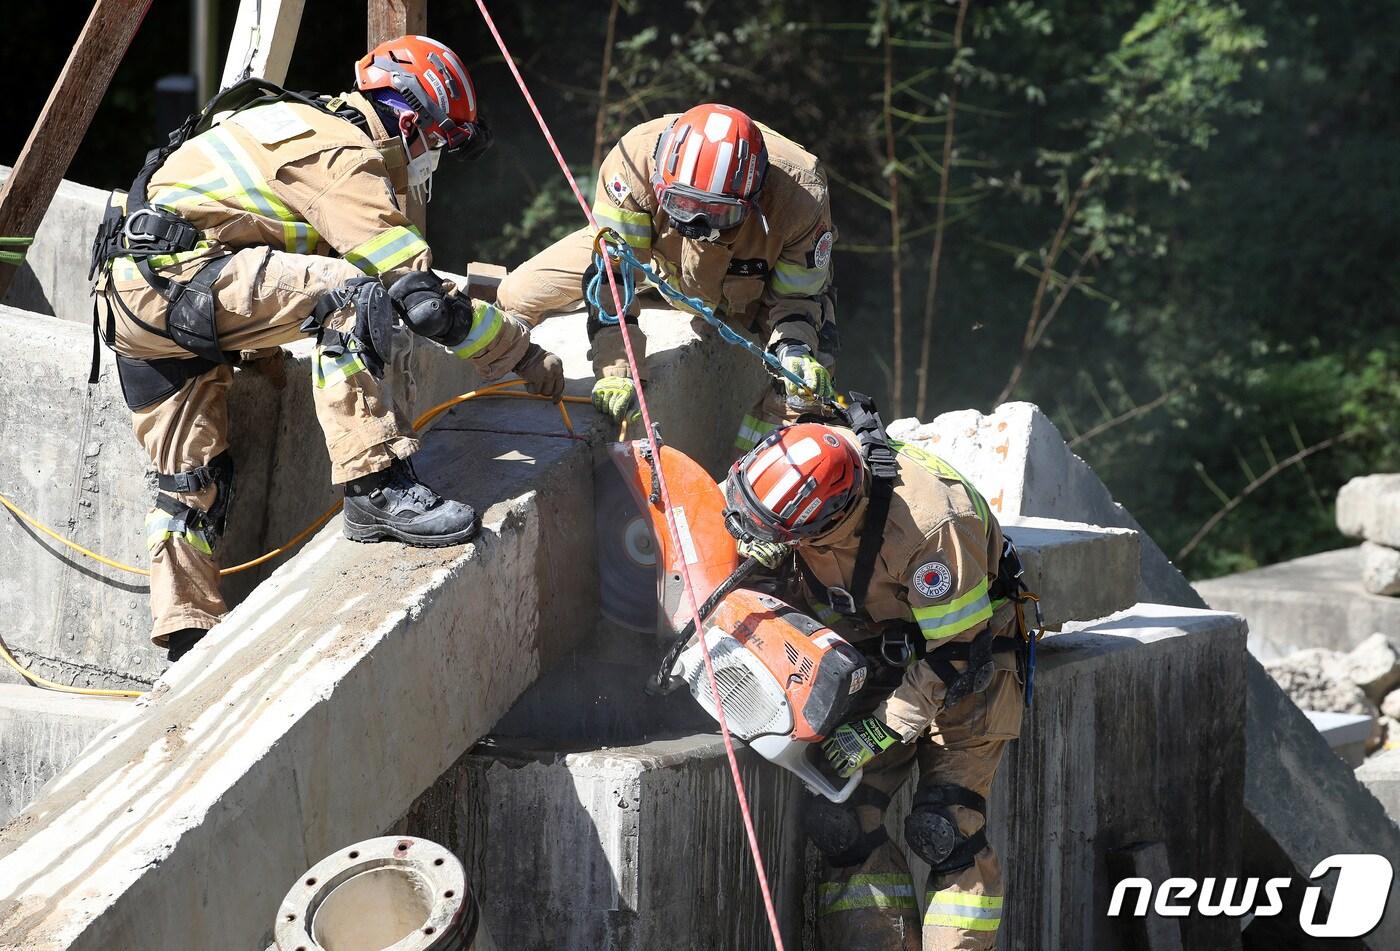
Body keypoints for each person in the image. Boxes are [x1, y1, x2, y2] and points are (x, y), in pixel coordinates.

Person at [89, 35, 564, 662]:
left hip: (128, 302)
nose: (434, 161)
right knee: (356, 296)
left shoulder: (286, 122)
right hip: (181, 285)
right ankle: (376, 488)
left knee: (190, 481)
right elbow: (416, 297)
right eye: (439, 142)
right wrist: (523, 355)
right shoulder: (343, 153)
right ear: (408, 119)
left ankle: (186, 638)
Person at [721, 410, 1028, 951]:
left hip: (965, 664)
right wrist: (761, 550)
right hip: (871, 651)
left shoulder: (932, 528)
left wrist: (881, 729)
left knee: (945, 829)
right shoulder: (798, 463)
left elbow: (958, 653)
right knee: (842, 822)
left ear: (833, 521)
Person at [495, 103, 838, 450]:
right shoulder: (633, 161)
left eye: (719, 212)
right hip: (655, 261)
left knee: (806, 390)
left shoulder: (801, 194)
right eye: (684, 206)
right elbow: (614, 273)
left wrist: (794, 349)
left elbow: (797, 298)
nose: (698, 227)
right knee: (517, 293)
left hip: (752, 289)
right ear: (660, 182)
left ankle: (749, 476)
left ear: (753, 197)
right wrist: (617, 365)